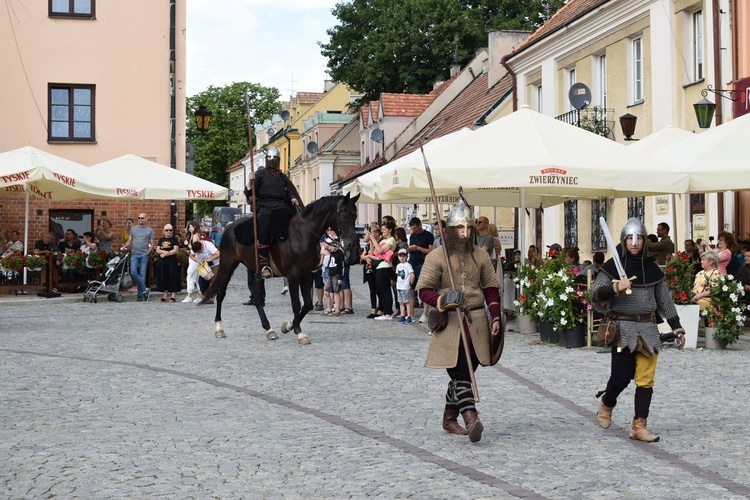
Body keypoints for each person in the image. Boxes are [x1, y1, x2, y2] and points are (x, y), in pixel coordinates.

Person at [591, 217, 685, 443]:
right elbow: (594, 295)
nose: (634, 243)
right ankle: (607, 402)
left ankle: (639, 425)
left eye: (639, 238)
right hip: (622, 328)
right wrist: (615, 287)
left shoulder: (652, 269)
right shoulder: (613, 267)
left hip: (649, 329)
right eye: (630, 238)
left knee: (645, 379)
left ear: (644, 241)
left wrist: (677, 327)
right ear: (624, 241)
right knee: (621, 377)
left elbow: (665, 301)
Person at [416, 198, 502, 443]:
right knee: (461, 373)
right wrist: (443, 300)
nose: (465, 233)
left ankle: (448, 417)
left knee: (465, 372)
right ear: (451, 231)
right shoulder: (437, 257)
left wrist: (495, 316)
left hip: (476, 321)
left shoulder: (480, 256)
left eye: (469, 228)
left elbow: (491, 288)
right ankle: (470, 417)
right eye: (460, 228)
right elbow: (424, 289)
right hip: (451, 323)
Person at [245, 147, 302, 279]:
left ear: (278, 160)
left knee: (297, 224)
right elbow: (250, 193)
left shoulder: (283, 177)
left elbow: (291, 191)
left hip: (282, 207)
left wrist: (293, 198)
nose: (272, 161)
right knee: (265, 227)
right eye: (270, 158)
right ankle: (264, 264)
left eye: (274, 158)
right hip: (266, 207)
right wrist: (250, 181)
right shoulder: (260, 175)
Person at [121, 213, 155, 301]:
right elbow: (129, 240)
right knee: (133, 272)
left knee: (142, 275)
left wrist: (148, 252)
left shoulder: (149, 230)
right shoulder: (133, 229)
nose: (140, 219)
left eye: (142, 218)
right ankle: (144, 290)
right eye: (139, 218)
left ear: (146, 219)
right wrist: (124, 246)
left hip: (144, 255)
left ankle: (140, 295)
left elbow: (152, 243)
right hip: (134, 254)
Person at [366, 220, 397, 320]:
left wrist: (374, 240)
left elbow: (380, 250)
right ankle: (384, 311)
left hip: (386, 266)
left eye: (384, 229)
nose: (382, 231)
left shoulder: (391, 240)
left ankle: (388, 312)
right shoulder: (383, 240)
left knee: (386, 290)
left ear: (390, 230)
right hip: (379, 266)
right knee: (381, 290)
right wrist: (371, 240)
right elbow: (373, 252)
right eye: (382, 229)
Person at [407, 217, 434, 324]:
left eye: (416, 228)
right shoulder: (413, 235)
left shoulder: (428, 235)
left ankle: (425, 313)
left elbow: (431, 250)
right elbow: (410, 247)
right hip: (412, 263)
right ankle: (411, 314)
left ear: (420, 225)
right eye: (413, 229)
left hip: (423, 263)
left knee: (424, 288)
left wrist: (418, 248)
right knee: (411, 289)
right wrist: (410, 249)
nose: (415, 231)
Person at [155, 224, 181, 302]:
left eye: (170, 230)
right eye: (166, 230)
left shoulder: (174, 240)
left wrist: (166, 254)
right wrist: (163, 252)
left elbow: (175, 250)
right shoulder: (161, 240)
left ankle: (173, 296)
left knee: (172, 277)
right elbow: (157, 250)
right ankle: (165, 295)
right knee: (164, 277)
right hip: (163, 262)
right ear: (163, 231)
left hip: (171, 261)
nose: (168, 232)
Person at [190, 239, 219, 305]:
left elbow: (218, 254)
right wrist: (199, 261)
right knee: (203, 280)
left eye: (200, 251)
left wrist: (209, 260)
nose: (199, 253)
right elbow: (191, 256)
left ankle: (210, 297)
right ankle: (205, 296)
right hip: (203, 264)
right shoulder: (195, 247)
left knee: (212, 280)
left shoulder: (208, 245)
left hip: (214, 263)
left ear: (202, 247)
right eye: (198, 252)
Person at [362, 225, 382, 318]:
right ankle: (373, 309)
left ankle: (381, 308)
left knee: (379, 289)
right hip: (369, 269)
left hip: (377, 268)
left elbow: (373, 254)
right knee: (372, 290)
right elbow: (362, 255)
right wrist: (366, 258)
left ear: (377, 234)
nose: (370, 235)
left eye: (372, 233)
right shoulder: (367, 245)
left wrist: (368, 256)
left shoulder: (380, 243)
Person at [323, 237, 345, 316]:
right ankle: (329, 308)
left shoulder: (339, 254)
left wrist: (340, 278)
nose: (330, 247)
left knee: (336, 292)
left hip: (336, 275)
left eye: (332, 246)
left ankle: (337, 309)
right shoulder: (332, 253)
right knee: (326, 292)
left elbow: (341, 266)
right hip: (330, 274)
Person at [183, 221, 202, 303]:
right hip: (196, 258)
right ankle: (199, 295)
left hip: (194, 258)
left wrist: (188, 244)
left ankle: (189, 295)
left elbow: (194, 248)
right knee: (197, 277)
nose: (189, 229)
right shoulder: (195, 235)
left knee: (190, 275)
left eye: (190, 227)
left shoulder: (195, 236)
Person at [394, 248, 415, 324]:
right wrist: (397, 285)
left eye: (403, 256)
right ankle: (402, 315)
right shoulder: (398, 266)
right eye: (400, 256)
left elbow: (412, 275)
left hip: (405, 286)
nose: (402, 258)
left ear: (406, 256)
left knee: (407, 302)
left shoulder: (408, 265)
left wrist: (410, 283)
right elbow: (398, 276)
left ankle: (409, 316)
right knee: (401, 302)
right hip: (399, 286)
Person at [736, 249, 750, 318]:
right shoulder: (742, 270)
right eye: (745, 256)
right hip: (747, 294)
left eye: (748, 256)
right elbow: (743, 285)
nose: (745, 258)